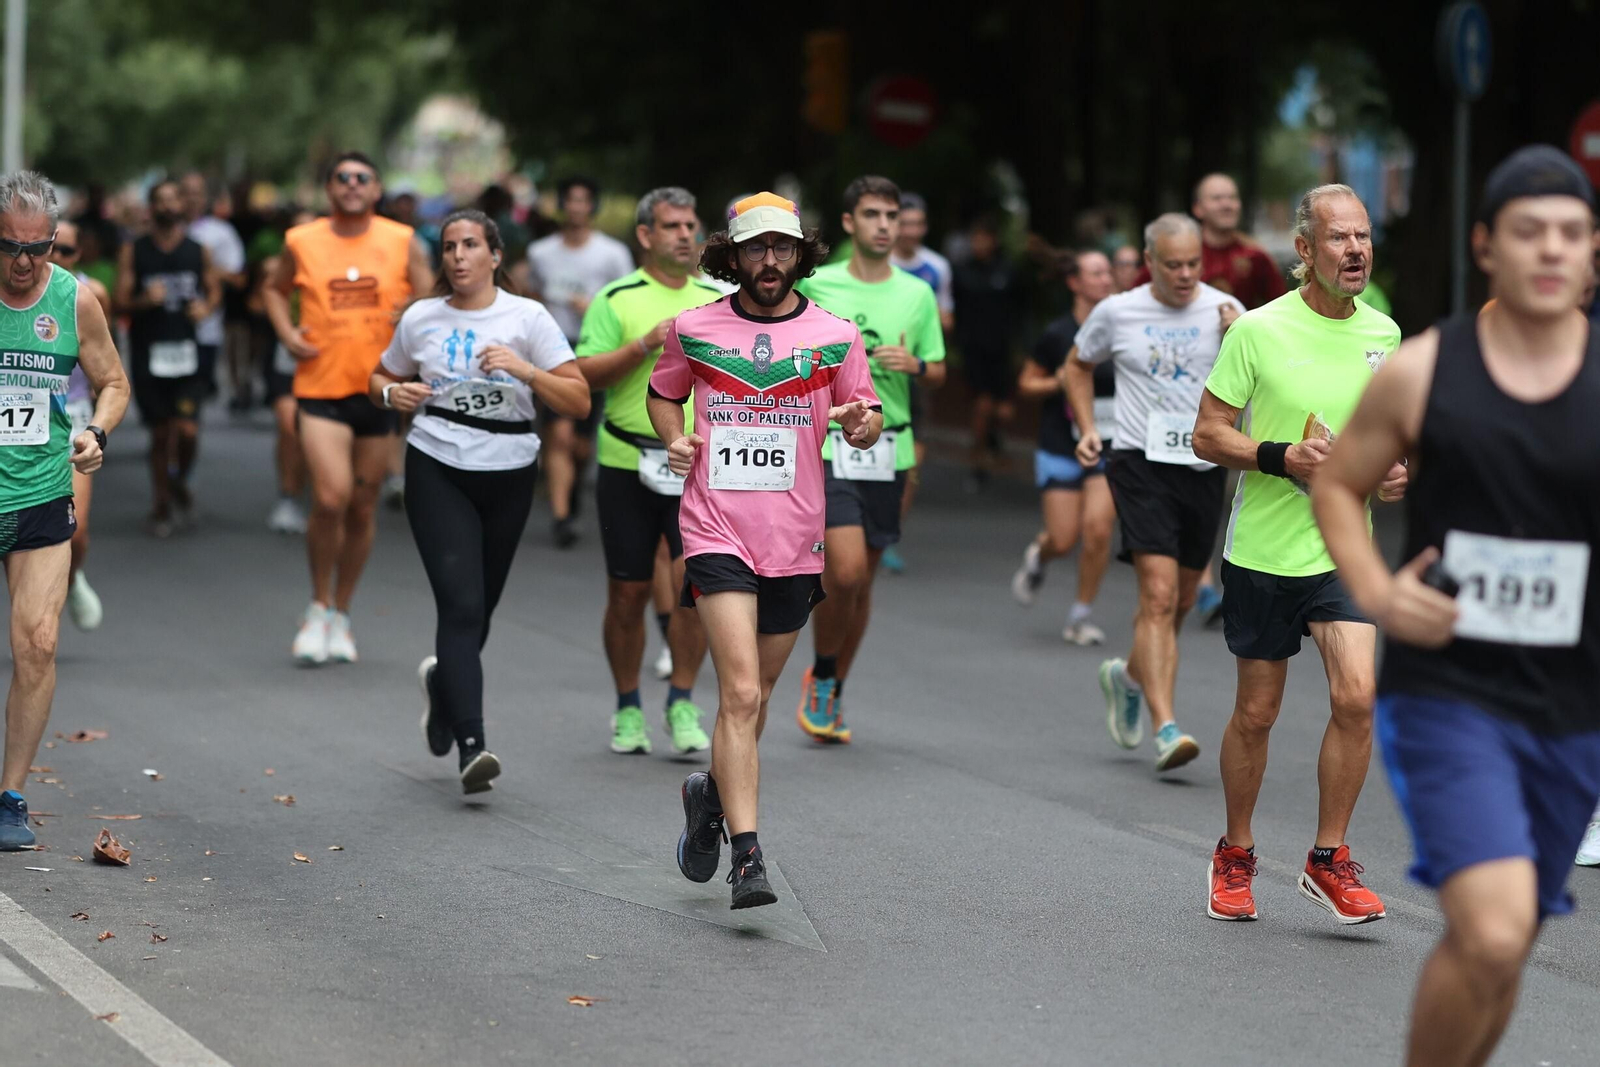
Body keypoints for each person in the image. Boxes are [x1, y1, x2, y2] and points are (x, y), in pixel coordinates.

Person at [1311, 146, 1600, 1066]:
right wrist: (1378, 591)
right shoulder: (1426, 369)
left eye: (1571, 233)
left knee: (1504, 948)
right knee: (1493, 928)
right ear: (1486, 246)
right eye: (1528, 231)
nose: (1550, 249)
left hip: (1575, 704)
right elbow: (1338, 484)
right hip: (1450, 692)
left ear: (1593, 251)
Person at [647, 192, 880, 908]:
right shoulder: (694, 327)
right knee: (741, 693)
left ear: (800, 254)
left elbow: (866, 415)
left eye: (782, 247)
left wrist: (859, 423)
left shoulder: (835, 335)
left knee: (757, 699)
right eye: (756, 248)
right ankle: (748, 858)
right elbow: (663, 394)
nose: (770, 260)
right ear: (735, 255)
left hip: (795, 535)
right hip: (715, 527)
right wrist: (674, 438)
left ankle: (709, 798)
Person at [1192, 184, 1403, 923]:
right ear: (1306, 250)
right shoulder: (1258, 330)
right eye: (1340, 238)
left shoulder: (1385, 334)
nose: (1356, 249)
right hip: (1264, 549)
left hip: (1344, 548)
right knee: (1257, 713)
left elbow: (1390, 436)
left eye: (1364, 236)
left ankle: (1328, 858)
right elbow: (1208, 433)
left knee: (1358, 695)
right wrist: (1282, 456)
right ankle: (1236, 851)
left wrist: (1395, 470)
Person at [371, 209, 590, 794]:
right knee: (462, 607)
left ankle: (444, 686)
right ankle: (473, 745)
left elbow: (577, 400)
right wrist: (393, 394)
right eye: (449, 247)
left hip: (510, 469)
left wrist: (525, 370)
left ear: (494, 255)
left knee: (481, 609)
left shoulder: (527, 317)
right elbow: (379, 377)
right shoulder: (422, 318)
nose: (458, 256)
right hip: (437, 462)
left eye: (470, 245)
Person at [1066, 215, 1241, 770]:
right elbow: (1076, 366)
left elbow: (1256, 385)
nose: (1186, 275)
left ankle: (1128, 677)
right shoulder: (1118, 310)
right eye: (1173, 265)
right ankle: (1166, 727)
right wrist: (1088, 428)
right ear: (1149, 262)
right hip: (1139, 462)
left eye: (1193, 264)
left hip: (1202, 465)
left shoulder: (1225, 311)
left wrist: (1240, 336)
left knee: (1184, 600)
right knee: (1159, 597)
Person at [0, 170, 130, 849]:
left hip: (40, 490)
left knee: (39, 642)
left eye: (38, 248)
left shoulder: (75, 299)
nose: (23, 262)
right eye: (9, 247)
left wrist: (96, 432)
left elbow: (113, 382)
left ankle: (10, 797)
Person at [792, 175, 945, 743]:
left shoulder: (918, 292)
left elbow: (938, 368)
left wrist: (916, 366)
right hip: (831, 442)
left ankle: (831, 685)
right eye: (873, 214)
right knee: (846, 570)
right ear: (850, 222)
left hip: (891, 447)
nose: (884, 225)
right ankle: (822, 673)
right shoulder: (819, 285)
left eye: (892, 215)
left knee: (862, 584)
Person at [263, 151, 433, 665]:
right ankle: (317, 605)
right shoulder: (302, 240)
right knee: (331, 497)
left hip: (381, 388)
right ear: (329, 189)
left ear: (377, 189)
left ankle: (341, 611)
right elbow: (273, 289)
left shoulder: (402, 240)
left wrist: (415, 310)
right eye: (343, 178)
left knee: (362, 505)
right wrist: (287, 334)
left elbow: (434, 299)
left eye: (363, 178)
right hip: (320, 385)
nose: (353, 185)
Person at [575, 187, 723, 755]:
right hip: (626, 461)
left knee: (696, 587)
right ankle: (627, 706)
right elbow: (585, 375)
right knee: (628, 592)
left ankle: (682, 699)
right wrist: (643, 343)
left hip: (697, 464)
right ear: (645, 235)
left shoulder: (717, 300)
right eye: (671, 226)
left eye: (690, 225)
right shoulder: (616, 298)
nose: (685, 235)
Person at [1010, 248, 1117, 645]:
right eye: (1096, 273)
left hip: (1109, 443)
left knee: (1098, 529)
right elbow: (1026, 384)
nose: (1105, 279)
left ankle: (1079, 616)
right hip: (1060, 443)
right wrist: (1060, 381)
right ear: (1074, 282)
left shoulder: (1123, 328)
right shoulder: (1057, 333)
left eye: (1107, 272)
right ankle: (1041, 552)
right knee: (1063, 538)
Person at [526, 177, 634, 548]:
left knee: (581, 443)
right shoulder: (541, 252)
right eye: (570, 200)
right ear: (561, 205)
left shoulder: (612, 254)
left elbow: (627, 299)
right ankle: (561, 517)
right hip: (553, 349)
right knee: (558, 432)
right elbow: (533, 295)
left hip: (595, 348)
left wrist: (596, 309)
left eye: (583, 200)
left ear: (593, 206)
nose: (576, 207)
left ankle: (570, 492)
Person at [116, 179, 219, 537]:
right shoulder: (134, 250)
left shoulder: (198, 250)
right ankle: (161, 504)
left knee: (188, 431)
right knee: (160, 434)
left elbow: (214, 289)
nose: (168, 206)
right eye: (160, 200)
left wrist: (206, 307)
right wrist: (144, 301)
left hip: (187, 351)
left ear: (182, 206)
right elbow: (119, 301)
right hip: (149, 350)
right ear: (152, 207)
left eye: (173, 199)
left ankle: (179, 480)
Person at [884, 190, 955, 574]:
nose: (911, 231)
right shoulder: (878, 263)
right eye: (905, 224)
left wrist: (924, 318)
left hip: (914, 371)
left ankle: (890, 534)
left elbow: (947, 319)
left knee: (912, 462)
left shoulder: (937, 268)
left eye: (917, 224)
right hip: (875, 371)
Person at [48, 221, 112, 631]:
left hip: (73, 415)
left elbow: (106, 358)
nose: (57, 258)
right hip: (19, 419)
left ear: (79, 255)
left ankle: (72, 580)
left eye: (67, 251)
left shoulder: (91, 295)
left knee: (76, 530)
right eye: (50, 248)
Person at [952, 216, 1021, 489]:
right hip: (973, 350)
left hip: (1001, 350)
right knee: (982, 406)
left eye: (984, 238)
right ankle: (978, 462)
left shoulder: (1008, 271)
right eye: (975, 238)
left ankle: (992, 441)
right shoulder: (962, 272)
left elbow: (1019, 312)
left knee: (1002, 411)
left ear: (994, 241)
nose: (979, 244)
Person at [259, 208, 316, 535]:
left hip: (323, 360)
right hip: (284, 356)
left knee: (311, 432)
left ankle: (307, 488)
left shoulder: (333, 266)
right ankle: (288, 496)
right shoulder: (275, 267)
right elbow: (258, 303)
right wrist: (286, 328)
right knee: (289, 427)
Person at [180, 173, 247, 407]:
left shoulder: (221, 232)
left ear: (205, 197)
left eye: (196, 193)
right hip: (165, 331)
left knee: (191, 402)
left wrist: (205, 269)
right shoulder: (162, 233)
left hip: (205, 330)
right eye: (185, 192)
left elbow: (238, 279)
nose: (191, 199)